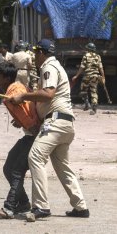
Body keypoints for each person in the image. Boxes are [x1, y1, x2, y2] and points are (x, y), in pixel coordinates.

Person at [7, 39, 90, 221]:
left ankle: (41, 206)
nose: (34, 57)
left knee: (35, 156)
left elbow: (48, 94)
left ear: (41, 53)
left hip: (56, 123)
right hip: (64, 124)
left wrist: (22, 96)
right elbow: (43, 103)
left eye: (35, 53)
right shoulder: (55, 66)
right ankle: (80, 206)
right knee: (63, 167)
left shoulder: (48, 66)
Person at [0, 62, 40, 219]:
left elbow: (24, 109)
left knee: (16, 170)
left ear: (6, 78)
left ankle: (9, 207)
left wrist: (30, 125)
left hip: (34, 135)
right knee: (8, 168)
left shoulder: (15, 90)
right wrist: (20, 121)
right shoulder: (14, 89)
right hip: (30, 134)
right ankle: (23, 203)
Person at [72, 42, 105, 115]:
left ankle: (86, 103)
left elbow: (82, 67)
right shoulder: (98, 56)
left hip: (87, 76)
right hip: (95, 76)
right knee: (94, 91)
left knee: (83, 90)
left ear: (88, 49)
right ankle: (94, 108)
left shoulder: (86, 55)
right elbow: (101, 68)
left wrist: (76, 76)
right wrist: (103, 77)